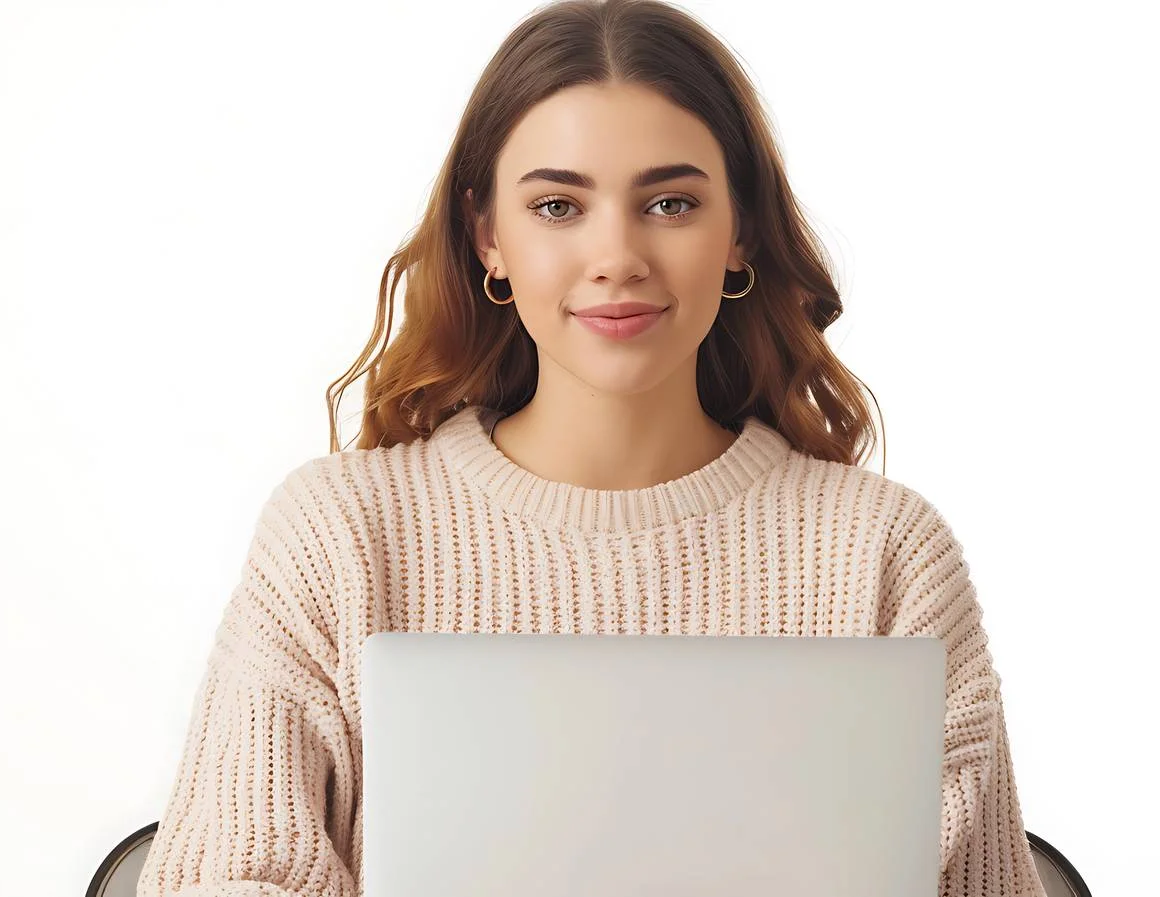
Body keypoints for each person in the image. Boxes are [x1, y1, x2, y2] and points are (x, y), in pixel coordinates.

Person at [134, 1, 1047, 895]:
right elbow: (228, 876)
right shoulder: (338, 531)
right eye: (560, 206)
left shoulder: (882, 552)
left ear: (741, 236)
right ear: (490, 239)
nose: (617, 255)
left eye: (672, 201)